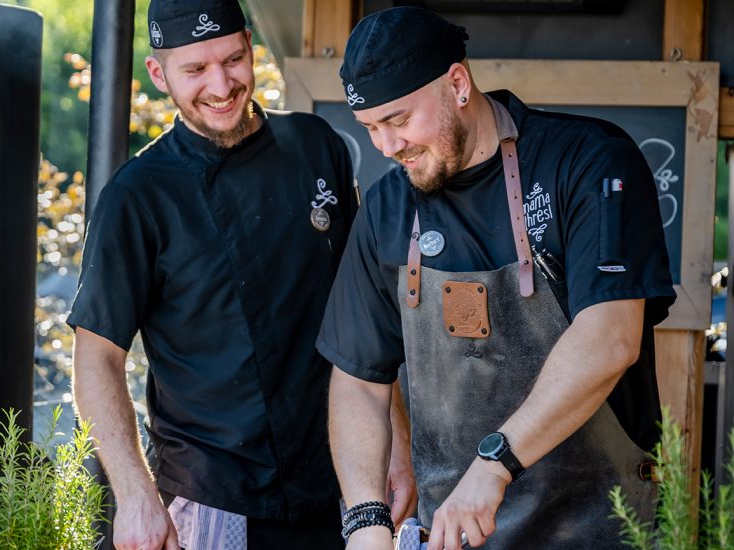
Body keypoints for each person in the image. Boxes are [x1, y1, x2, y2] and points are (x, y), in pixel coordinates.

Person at [318, 7, 676, 550]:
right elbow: (359, 380)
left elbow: (609, 338)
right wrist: (365, 518)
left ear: (457, 84)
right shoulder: (387, 210)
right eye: (370, 129)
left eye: (398, 120)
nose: (387, 148)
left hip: (605, 524)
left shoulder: (588, 161)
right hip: (455, 534)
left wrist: (494, 465)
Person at [68, 1, 416, 549]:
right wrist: (135, 495)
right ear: (159, 75)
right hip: (214, 497)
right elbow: (96, 359)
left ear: (251, 47)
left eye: (232, 59)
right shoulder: (137, 196)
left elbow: (365, 316)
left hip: (341, 480)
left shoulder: (317, 147)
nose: (221, 84)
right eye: (195, 69)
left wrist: (396, 442)